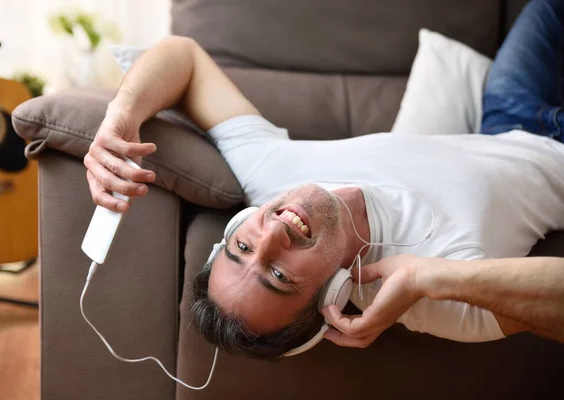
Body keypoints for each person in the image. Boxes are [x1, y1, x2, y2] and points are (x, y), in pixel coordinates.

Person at [84, 0, 564, 358]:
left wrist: (120, 117)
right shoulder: (435, 299)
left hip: (511, 114)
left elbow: (183, 56)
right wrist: (427, 276)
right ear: (334, 296)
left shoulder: (270, 175)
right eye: (278, 274)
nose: (272, 233)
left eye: (242, 248)